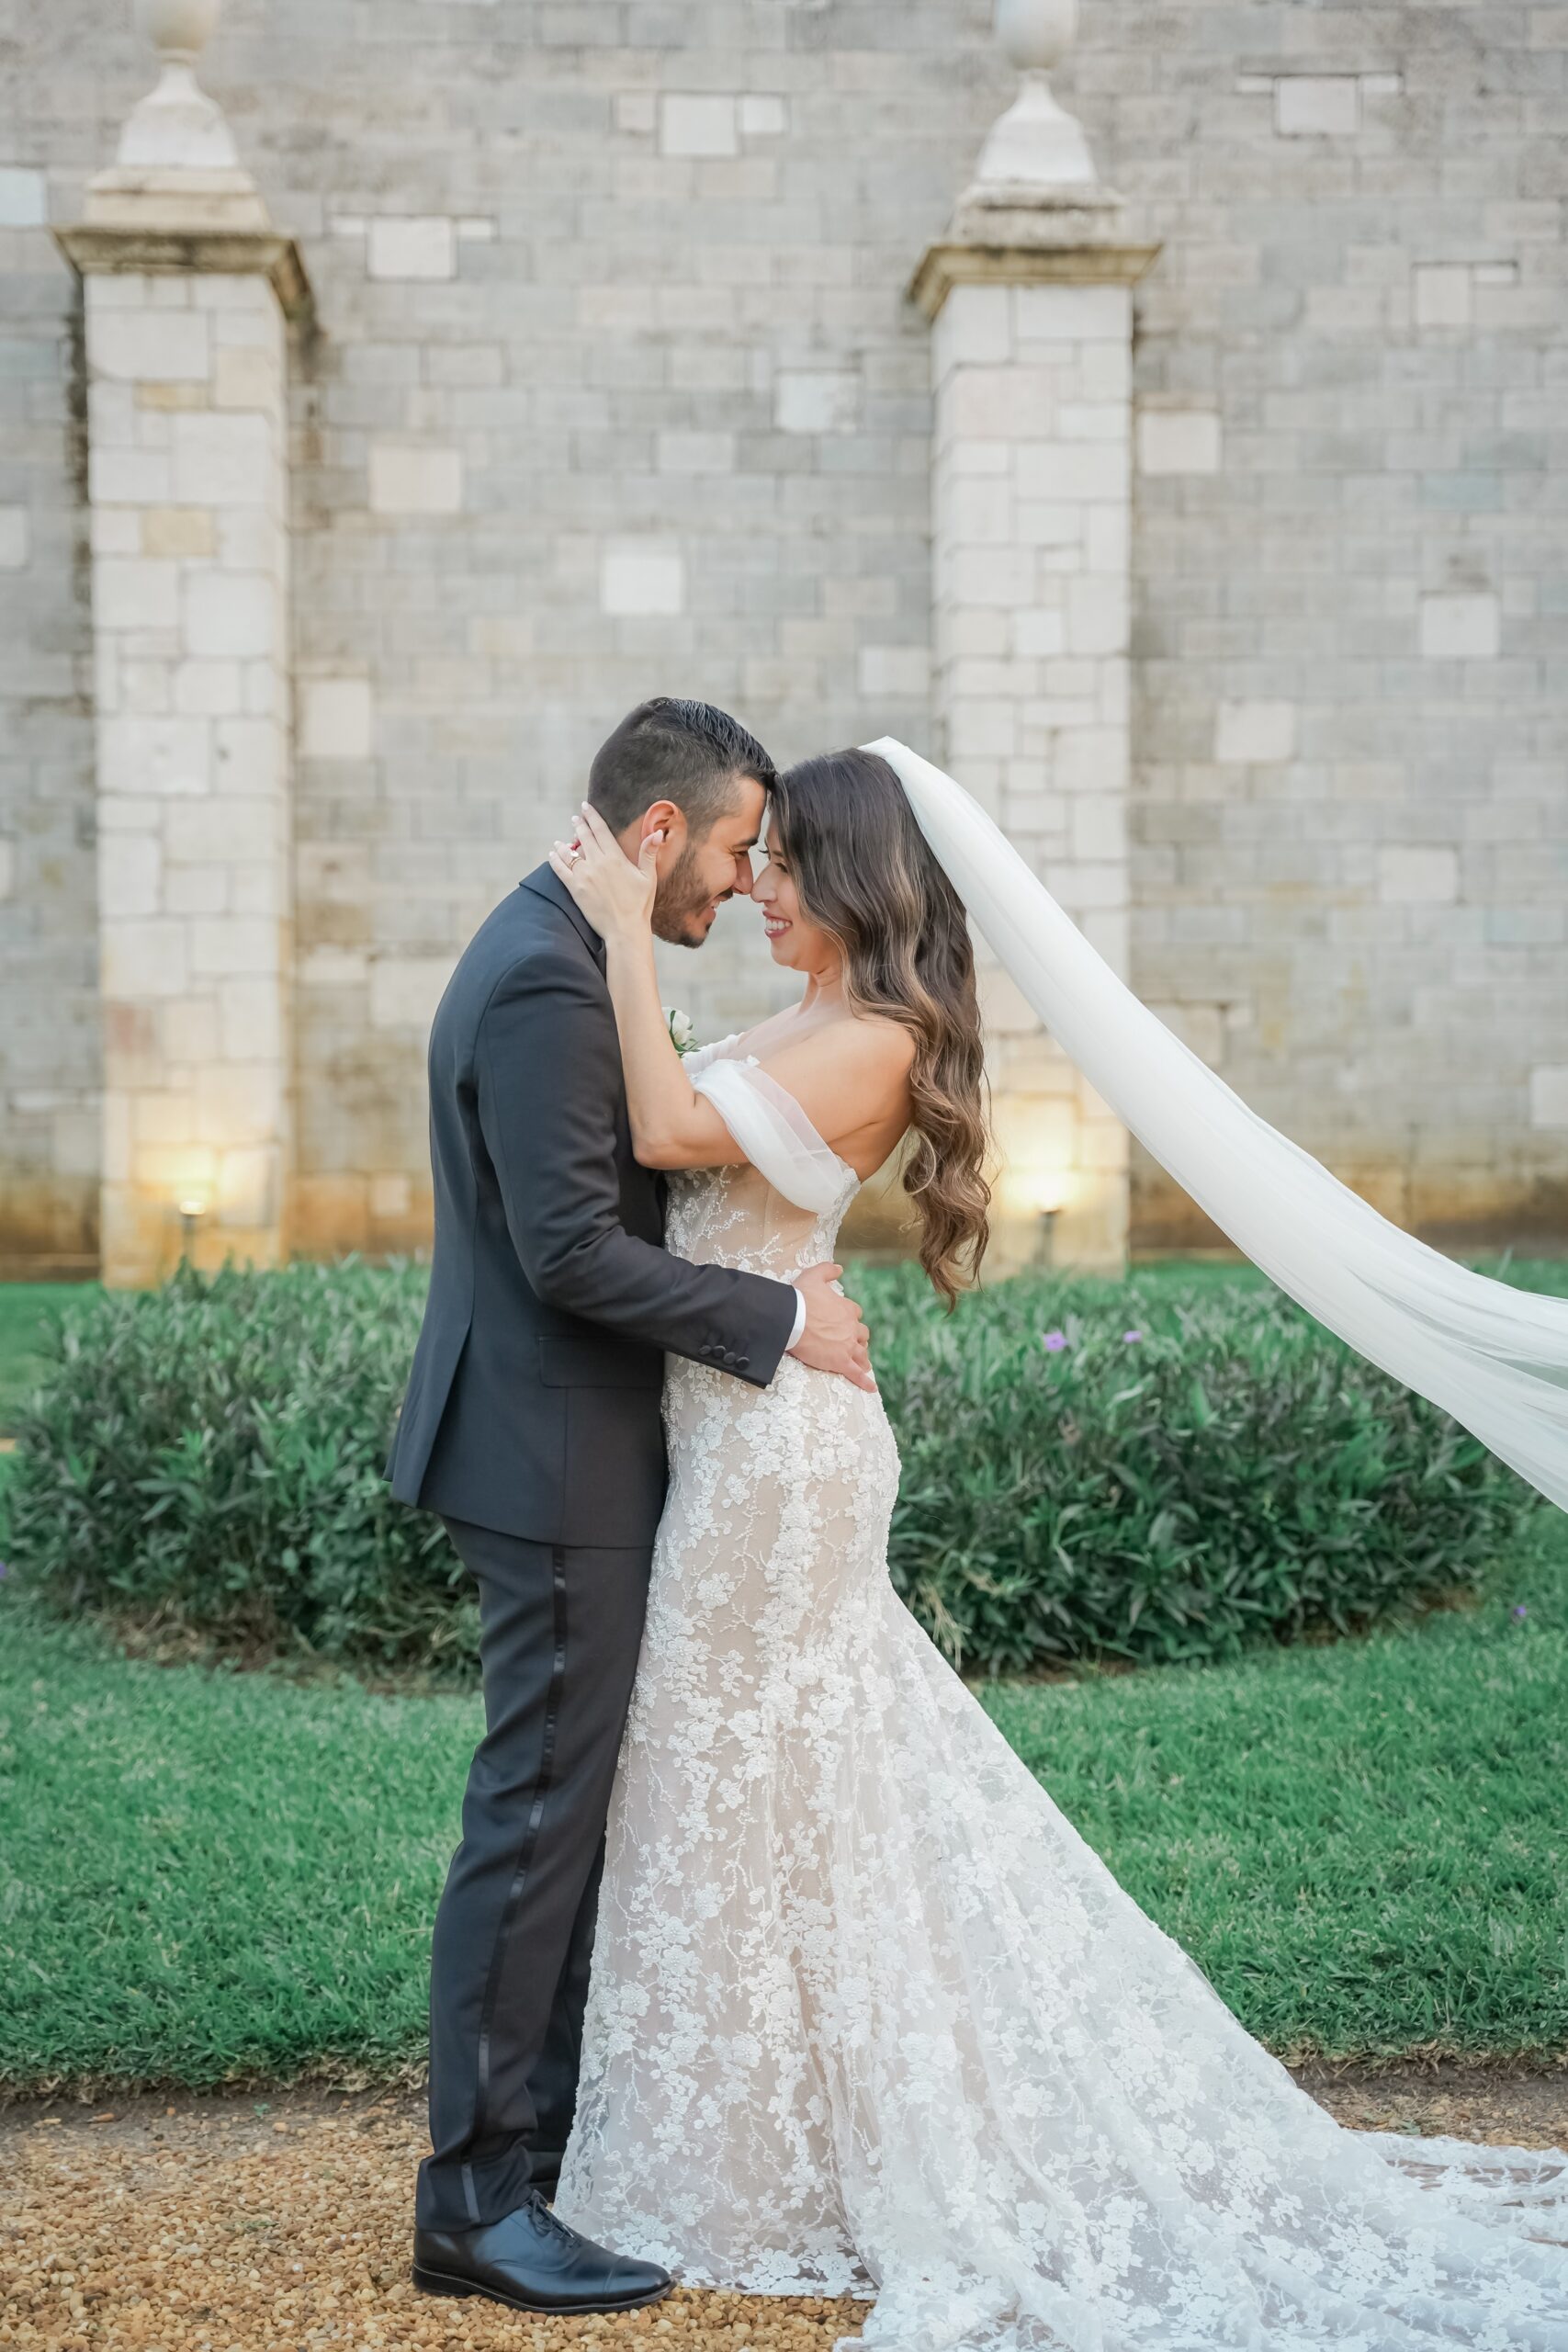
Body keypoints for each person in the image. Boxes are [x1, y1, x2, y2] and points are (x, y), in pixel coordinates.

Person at [546, 743, 1568, 2352]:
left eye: (788, 864)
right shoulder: (822, 1017)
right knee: (760, 1781)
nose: (758, 885)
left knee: (744, 1765)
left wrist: (613, 917)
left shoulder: (875, 1036)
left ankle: (771, 2165)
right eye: (759, 861)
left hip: (779, 1460)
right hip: (740, 1422)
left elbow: (673, 1131)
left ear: (861, 881)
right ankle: (766, 2152)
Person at [385, 697, 876, 2317]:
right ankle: (475, 2204)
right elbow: (571, 1256)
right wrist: (782, 1322)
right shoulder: (545, 974)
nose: (744, 886)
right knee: (533, 1825)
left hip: (571, 1447)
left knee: (567, 1818)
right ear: (659, 835)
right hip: (554, 1458)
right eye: (736, 849)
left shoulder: (560, 946)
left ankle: (533, 2155)